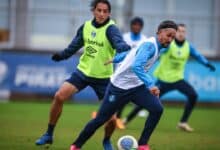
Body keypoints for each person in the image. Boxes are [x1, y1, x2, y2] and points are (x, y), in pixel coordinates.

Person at [35, 0, 130, 149]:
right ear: (93, 10)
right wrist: (62, 55)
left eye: (105, 11)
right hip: (83, 72)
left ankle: (106, 140)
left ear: (109, 13)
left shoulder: (111, 29)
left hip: (104, 79)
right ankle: (48, 134)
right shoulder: (86, 27)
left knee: (112, 119)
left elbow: (119, 43)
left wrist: (123, 47)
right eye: (99, 10)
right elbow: (74, 46)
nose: (102, 14)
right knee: (59, 96)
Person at [70, 20, 177, 150]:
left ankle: (142, 144)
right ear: (159, 32)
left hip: (136, 87)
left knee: (157, 109)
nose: (170, 39)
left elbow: (131, 54)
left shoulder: (153, 45)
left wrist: (116, 59)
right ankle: (76, 145)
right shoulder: (150, 46)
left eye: (173, 37)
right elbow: (136, 66)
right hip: (118, 88)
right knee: (100, 119)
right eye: (168, 35)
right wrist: (150, 85)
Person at [124, 23, 216, 132]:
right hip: (163, 80)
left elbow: (197, 55)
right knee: (148, 101)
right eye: (179, 31)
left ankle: (183, 122)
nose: (181, 34)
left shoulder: (188, 46)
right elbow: (154, 50)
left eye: (183, 32)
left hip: (178, 79)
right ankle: (126, 120)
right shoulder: (168, 45)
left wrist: (206, 63)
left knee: (193, 95)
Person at [115, 17, 147, 129]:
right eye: (134, 24)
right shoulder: (125, 37)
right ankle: (115, 118)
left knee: (128, 98)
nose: (136, 27)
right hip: (123, 72)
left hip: (136, 74)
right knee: (120, 97)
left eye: (139, 25)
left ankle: (116, 118)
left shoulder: (144, 40)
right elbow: (118, 53)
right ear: (131, 26)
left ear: (141, 27)